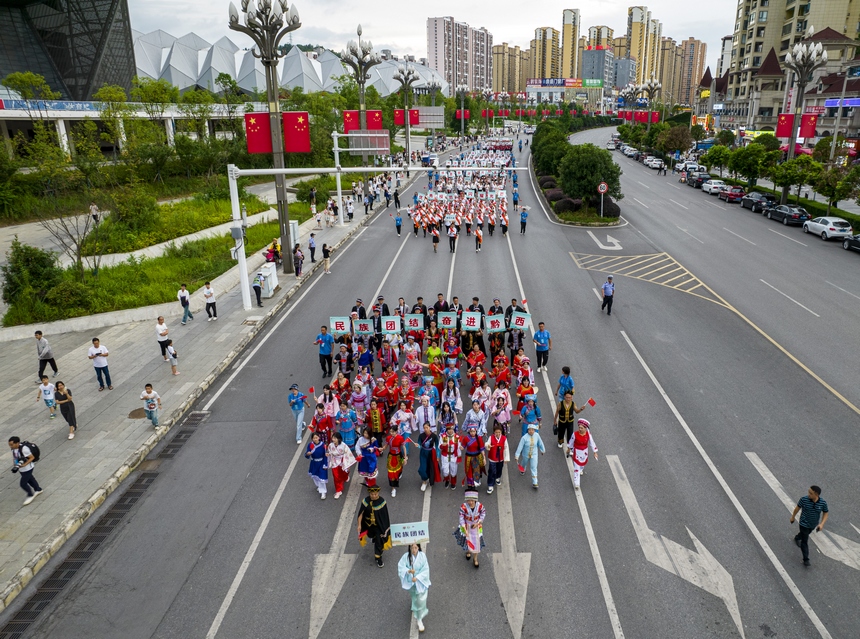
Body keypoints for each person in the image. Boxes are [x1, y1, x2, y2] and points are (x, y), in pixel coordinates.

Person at [790, 485, 829, 567]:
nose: (808, 494)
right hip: (803, 523)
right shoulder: (804, 500)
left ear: (816, 494)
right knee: (805, 541)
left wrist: (821, 524)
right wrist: (793, 517)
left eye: (811, 493)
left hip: (813, 524)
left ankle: (797, 537)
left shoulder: (822, 503)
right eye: (809, 492)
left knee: (806, 534)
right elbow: (797, 508)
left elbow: (825, 512)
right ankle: (806, 559)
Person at [398, 543, 431, 632]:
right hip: (411, 582)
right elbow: (401, 567)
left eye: (416, 547)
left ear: (418, 548)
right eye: (412, 547)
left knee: (421, 600)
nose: (414, 550)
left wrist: (418, 577)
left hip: (420, 582)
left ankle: (419, 619)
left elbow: (426, 569)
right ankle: (414, 606)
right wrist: (408, 571)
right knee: (414, 597)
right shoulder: (406, 557)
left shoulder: (422, 556)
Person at [357, 483, 392, 567]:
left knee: (379, 542)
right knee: (371, 536)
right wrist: (359, 525)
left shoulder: (382, 502)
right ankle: (374, 538)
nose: (374, 496)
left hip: (378, 526)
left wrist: (384, 528)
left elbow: (384, 516)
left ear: (378, 493)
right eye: (372, 494)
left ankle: (378, 558)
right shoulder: (365, 501)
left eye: (375, 494)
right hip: (367, 525)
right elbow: (361, 513)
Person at [453, 490, 486, 568]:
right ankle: (468, 551)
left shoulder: (480, 506)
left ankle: (475, 558)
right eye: (468, 500)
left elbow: (483, 513)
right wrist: (464, 527)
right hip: (466, 526)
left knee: (476, 543)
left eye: (472, 500)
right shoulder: (463, 507)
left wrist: (478, 522)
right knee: (468, 541)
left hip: (477, 527)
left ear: (475, 500)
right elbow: (461, 517)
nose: (470, 502)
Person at [9, 437, 42, 506]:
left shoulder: (24, 449)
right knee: (30, 479)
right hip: (21, 468)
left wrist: (24, 464)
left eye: (12, 444)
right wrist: (16, 465)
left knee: (23, 483)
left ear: (17, 443)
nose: (10, 446)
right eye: (10, 445)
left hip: (28, 468)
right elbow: (15, 457)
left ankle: (30, 495)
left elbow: (32, 457)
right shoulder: (13, 449)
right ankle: (38, 489)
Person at [567, 418, 598, 490]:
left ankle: (581, 469)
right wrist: (569, 449)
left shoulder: (588, 435)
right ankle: (576, 483)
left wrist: (595, 452)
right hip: (577, 452)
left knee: (582, 464)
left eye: (582, 428)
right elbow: (571, 442)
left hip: (584, 452)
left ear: (585, 428)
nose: (580, 429)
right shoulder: (575, 434)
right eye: (579, 427)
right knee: (576, 467)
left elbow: (592, 443)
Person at [515, 422, 545, 489]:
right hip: (526, 454)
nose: (531, 431)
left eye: (532, 430)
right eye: (529, 430)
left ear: (534, 430)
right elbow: (520, 447)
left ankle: (535, 482)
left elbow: (540, 443)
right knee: (524, 463)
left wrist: (542, 450)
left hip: (534, 454)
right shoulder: (524, 438)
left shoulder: (537, 435)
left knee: (534, 467)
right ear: (527, 430)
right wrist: (517, 456)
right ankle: (522, 469)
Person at [327, 432, 356, 499]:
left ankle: (345, 477)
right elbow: (330, 451)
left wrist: (347, 463)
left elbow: (348, 453)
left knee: (344, 472)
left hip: (342, 460)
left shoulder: (344, 445)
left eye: (335, 438)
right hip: (334, 461)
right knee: (336, 476)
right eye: (333, 438)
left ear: (338, 439)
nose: (333, 439)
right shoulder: (331, 445)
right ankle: (338, 490)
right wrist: (329, 454)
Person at [417, 422, 441, 492]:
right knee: (422, 468)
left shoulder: (434, 436)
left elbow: (437, 446)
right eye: (424, 428)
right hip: (423, 453)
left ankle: (430, 479)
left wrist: (438, 455)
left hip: (431, 453)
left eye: (427, 427)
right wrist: (417, 445)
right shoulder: (421, 436)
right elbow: (419, 445)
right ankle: (424, 481)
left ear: (430, 427)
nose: (425, 429)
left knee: (431, 467)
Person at [385, 424, 408, 496]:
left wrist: (405, 457)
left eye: (393, 432)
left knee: (399, 470)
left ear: (396, 431)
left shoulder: (400, 438)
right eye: (390, 432)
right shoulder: (388, 438)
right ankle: (393, 488)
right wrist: (381, 449)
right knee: (391, 473)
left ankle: (400, 473)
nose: (391, 433)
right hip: (391, 457)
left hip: (398, 456)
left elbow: (404, 447)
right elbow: (385, 446)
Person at [485, 424, 507, 494]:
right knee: (491, 471)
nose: (497, 434)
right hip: (492, 458)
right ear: (494, 432)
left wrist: (506, 458)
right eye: (496, 432)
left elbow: (506, 448)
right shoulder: (491, 438)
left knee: (499, 469)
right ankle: (490, 485)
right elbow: (487, 443)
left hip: (500, 458)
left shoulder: (504, 438)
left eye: (499, 432)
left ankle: (497, 478)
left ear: (501, 432)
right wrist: (488, 445)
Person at [306, 432, 328, 499]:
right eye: (314, 438)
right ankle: (319, 486)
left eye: (316, 437)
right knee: (315, 477)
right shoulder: (310, 445)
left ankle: (323, 492)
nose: (315, 439)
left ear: (319, 437)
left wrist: (325, 464)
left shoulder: (323, 445)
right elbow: (306, 453)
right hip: (314, 463)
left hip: (321, 463)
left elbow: (325, 455)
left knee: (322, 477)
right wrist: (308, 454)